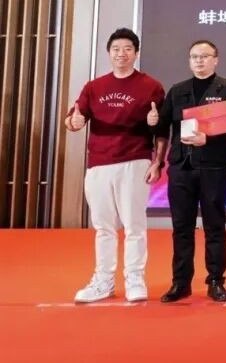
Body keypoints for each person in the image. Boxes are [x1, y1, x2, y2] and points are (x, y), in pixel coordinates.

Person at [65, 28, 166, 303]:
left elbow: (161, 129)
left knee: (135, 225)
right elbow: (74, 119)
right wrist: (73, 122)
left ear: (136, 53)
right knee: (104, 226)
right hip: (99, 164)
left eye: (128, 49)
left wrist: (158, 161)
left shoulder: (151, 86)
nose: (122, 54)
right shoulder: (94, 87)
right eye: (116, 49)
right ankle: (103, 280)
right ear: (109, 53)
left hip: (135, 160)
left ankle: (135, 277)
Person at [154, 40, 226, 303]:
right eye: (194, 56)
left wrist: (209, 138)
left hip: (214, 167)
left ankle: (215, 281)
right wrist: (153, 124)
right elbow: (162, 127)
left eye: (205, 56)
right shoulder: (177, 90)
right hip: (181, 167)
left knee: (214, 225)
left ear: (215, 59)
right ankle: (180, 282)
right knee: (181, 227)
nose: (199, 61)